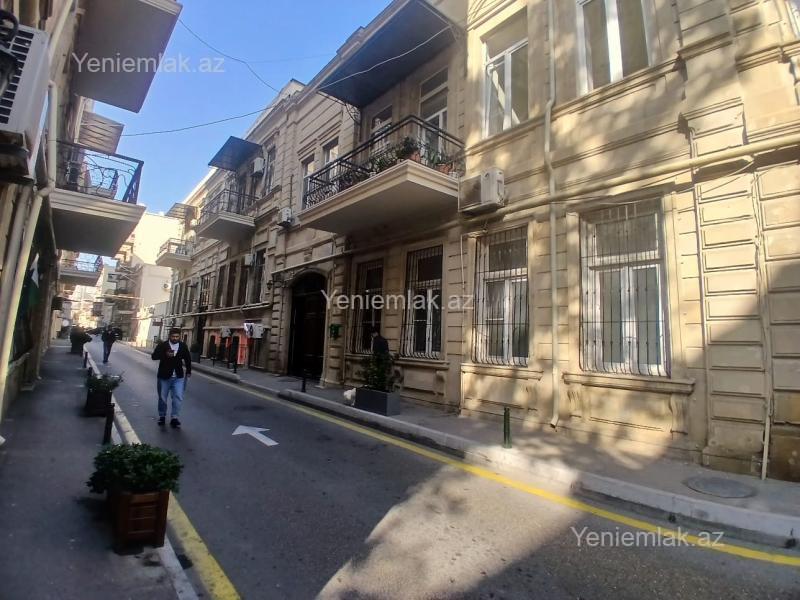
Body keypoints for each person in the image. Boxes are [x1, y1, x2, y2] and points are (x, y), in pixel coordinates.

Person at [151, 328, 192, 429]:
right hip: (164, 376)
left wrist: (189, 371)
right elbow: (154, 356)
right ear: (169, 336)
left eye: (177, 337)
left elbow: (187, 358)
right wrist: (165, 354)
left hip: (178, 377)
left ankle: (174, 418)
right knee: (162, 398)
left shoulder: (182, 346)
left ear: (179, 337)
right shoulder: (163, 345)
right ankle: (162, 416)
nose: (175, 338)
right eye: (173, 336)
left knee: (178, 397)